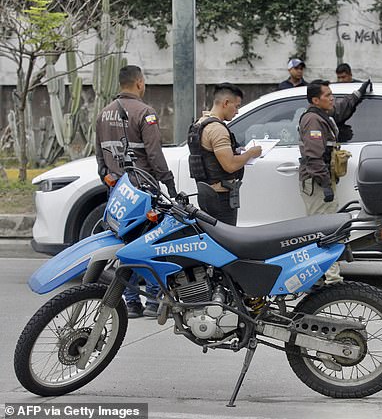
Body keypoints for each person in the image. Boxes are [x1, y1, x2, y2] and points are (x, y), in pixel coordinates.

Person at [96, 64, 177, 318]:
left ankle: (131, 302)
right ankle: (152, 300)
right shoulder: (145, 112)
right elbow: (154, 154)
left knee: (125, 247)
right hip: (143, 192)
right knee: (150, 244)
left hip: (118, 193)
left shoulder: (102, 114)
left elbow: (100, 158)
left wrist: (109, 179)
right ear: (139, 82)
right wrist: (170, 184)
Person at [298, 79, 368, 285]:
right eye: (328, 96)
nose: (332, 99)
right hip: (318, 182)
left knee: (326, 229)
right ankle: (332, 281)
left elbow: (341, 108)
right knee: (325, 232)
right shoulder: (312, 120)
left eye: (332, 94)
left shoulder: (323, 115)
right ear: (315, 100)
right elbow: (313, 157)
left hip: (323, 180)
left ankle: (320, 278)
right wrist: (325, 184)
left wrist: (358, 94)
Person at [190, 83, 262, 225]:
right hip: (220, 197)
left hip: (206, 193)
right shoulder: (217, 129)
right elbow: (229, 165)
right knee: (225, 241)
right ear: (226, 103)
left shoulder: (200, 123)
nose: (237, 111)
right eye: (236, 106)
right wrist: (250, 154)